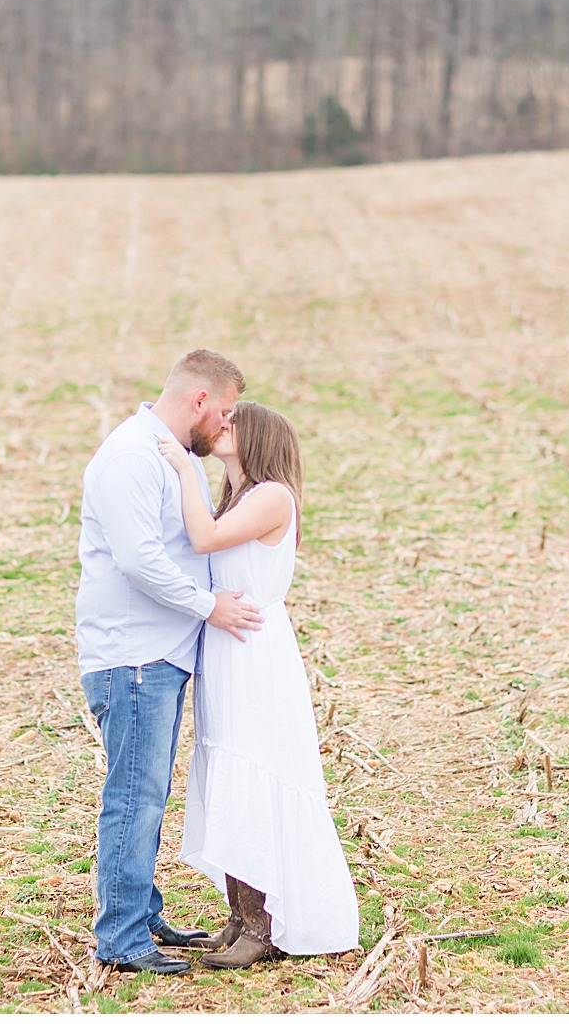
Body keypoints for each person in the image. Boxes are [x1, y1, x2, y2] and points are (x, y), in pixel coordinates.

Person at [75, 350, 266, 975]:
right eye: (228, 411)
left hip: (155, 653)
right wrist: (210, 605)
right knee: (135, 795)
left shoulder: (171, 456)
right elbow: (139, 560)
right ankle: (123, 939)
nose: (228, 425)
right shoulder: (133, 456)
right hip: (133, 654)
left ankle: (141, 911)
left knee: (147, 790)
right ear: (200, 402)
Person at [159, 402, 360, 969]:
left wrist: (181, 469)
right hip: (227, 644)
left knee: (254, 767)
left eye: (233, 424)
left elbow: (204, 539)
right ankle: (240, 918)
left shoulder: (272, 494)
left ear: (259, 438)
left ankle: (263, 926)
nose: (220, 428)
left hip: (255, 647)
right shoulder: (240, 494)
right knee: (230, 768)